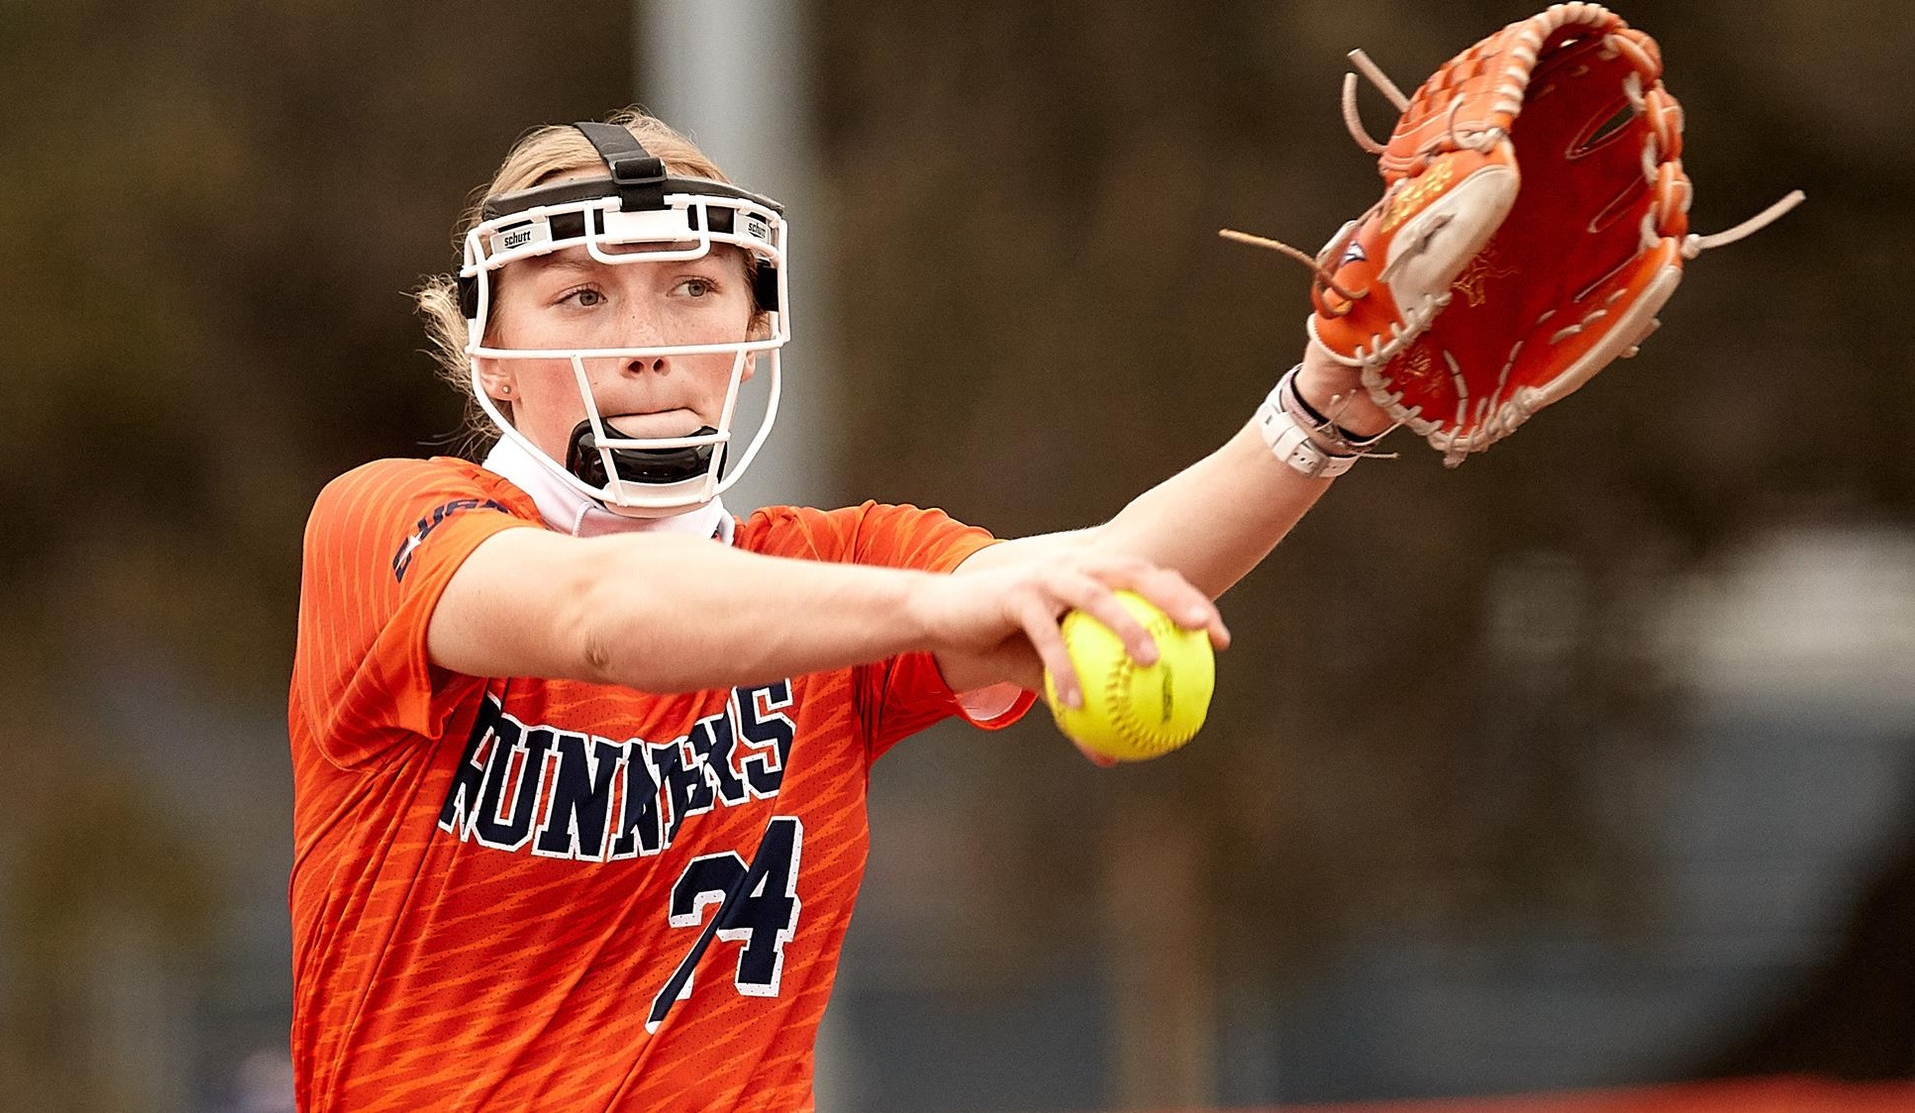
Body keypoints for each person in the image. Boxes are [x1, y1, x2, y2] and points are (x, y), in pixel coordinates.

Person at [287, 109, 1392, 1111]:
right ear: (492, 350)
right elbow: (598, 615)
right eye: (581, 296)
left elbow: (1104, 578)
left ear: (757, 331)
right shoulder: (386, 521)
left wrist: (1320, 413)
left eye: (694, 287)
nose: (647, 338)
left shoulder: (832, 569)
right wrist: (937, 606)